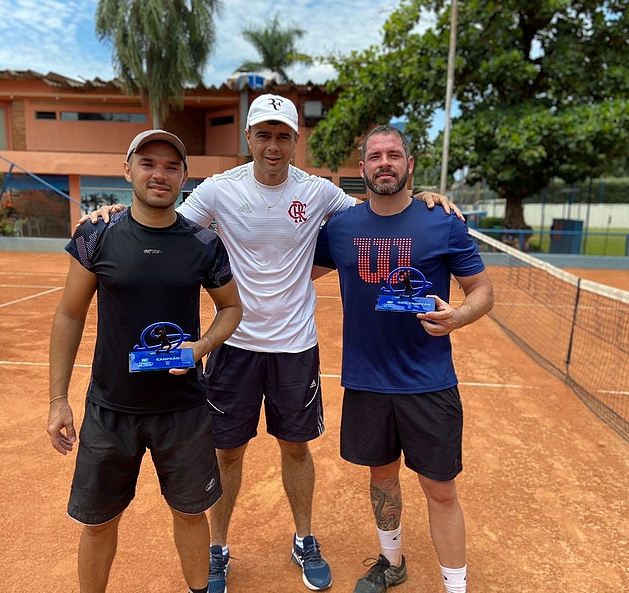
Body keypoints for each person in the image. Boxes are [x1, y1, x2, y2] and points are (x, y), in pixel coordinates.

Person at [82, 94, 461, 593]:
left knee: (297, 451)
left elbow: (381, 210)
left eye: (283, 135)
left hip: (295, 346)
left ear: (295, 141)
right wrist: (115, 209)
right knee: (227, 454)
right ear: (249, 138)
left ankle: (304, 538)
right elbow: (163, 218)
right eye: (264, 134)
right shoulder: (219, 191)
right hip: (232, 347)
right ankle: (218, 548)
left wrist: (427, 197)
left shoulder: (319, 192)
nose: (274, 145)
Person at [47, 130, 243, 593]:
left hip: (183, 410)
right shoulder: (96, 235)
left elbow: (231, 307)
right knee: (98, 523)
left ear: (184, 177)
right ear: (128, 169)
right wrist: (58, 399)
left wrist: (200, 348)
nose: (160, 174)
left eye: (171, 166)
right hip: (110, 410)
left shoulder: (203, 242)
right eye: (149, 163)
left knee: (191, 515)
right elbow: (69, 314)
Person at [312, 125, 494, 593]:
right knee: (382, 479)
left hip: (428, 380)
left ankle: (456, 587)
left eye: (394, 155)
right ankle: (392, 563)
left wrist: (458, 317)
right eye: (376, 156)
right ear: (363, 169)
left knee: (440, 489)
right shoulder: (341, 228)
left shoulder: (443, 221)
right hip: (367, 381)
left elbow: (482, 291)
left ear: (409, 165)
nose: (385, 163)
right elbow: (286, 269)